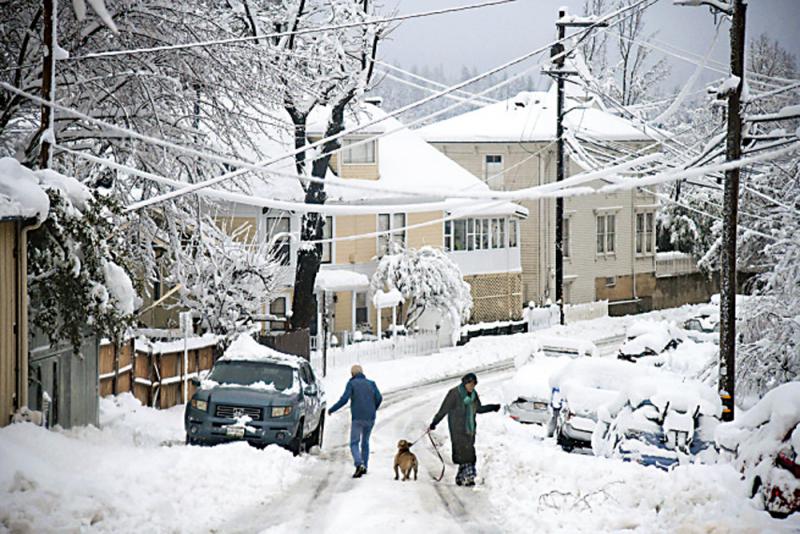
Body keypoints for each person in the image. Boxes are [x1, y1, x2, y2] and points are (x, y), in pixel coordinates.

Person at [429, 372, 500, 486]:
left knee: (467, 453)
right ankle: (469, 477)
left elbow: (479, 409)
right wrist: (434, 422)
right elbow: (444, 410)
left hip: (469, 429)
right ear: (465, 383)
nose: (472, 386)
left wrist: (493, 407)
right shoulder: (454, 394)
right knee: (467, 454)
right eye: (470, 384)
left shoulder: (473, 395)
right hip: (457, 428)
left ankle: (461, 477)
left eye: (474, 384)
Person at [328, 364, 383, 478]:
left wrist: (332, 409)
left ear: (352, 374)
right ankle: (365, 466)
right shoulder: (371, 383)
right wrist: (373, 408)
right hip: (370, 417)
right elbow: (379, 398)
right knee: (365, 442)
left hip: (357, 417)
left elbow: (344, 399)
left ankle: (359, 464)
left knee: (354, 443)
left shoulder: (351, 384)